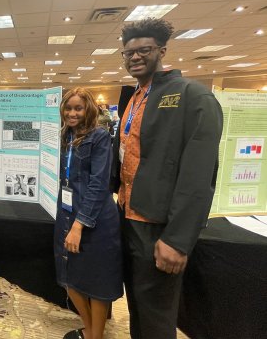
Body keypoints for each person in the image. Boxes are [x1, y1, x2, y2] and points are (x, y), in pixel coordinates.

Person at [111, 18, 223, 339]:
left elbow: (199, 177)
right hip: (127, 216)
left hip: (158, 226)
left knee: (157, 316)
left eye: (143, 50)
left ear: (161, 50)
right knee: (137, 303)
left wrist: (177, 239)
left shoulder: (193, 97)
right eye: (128, 52)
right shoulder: (135, 97)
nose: (134, 57)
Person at [55, 87, 123, 339]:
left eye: (78, 108)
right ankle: (91, 330)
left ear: (88, 110)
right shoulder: (65, 135)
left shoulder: (100, 136)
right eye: (68, 108)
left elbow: (98, 183)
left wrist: (79, 225)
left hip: (94, 219)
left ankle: (95, 335)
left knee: (97, 282)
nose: (72, 113)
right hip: (67, 212)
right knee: (69, 276)